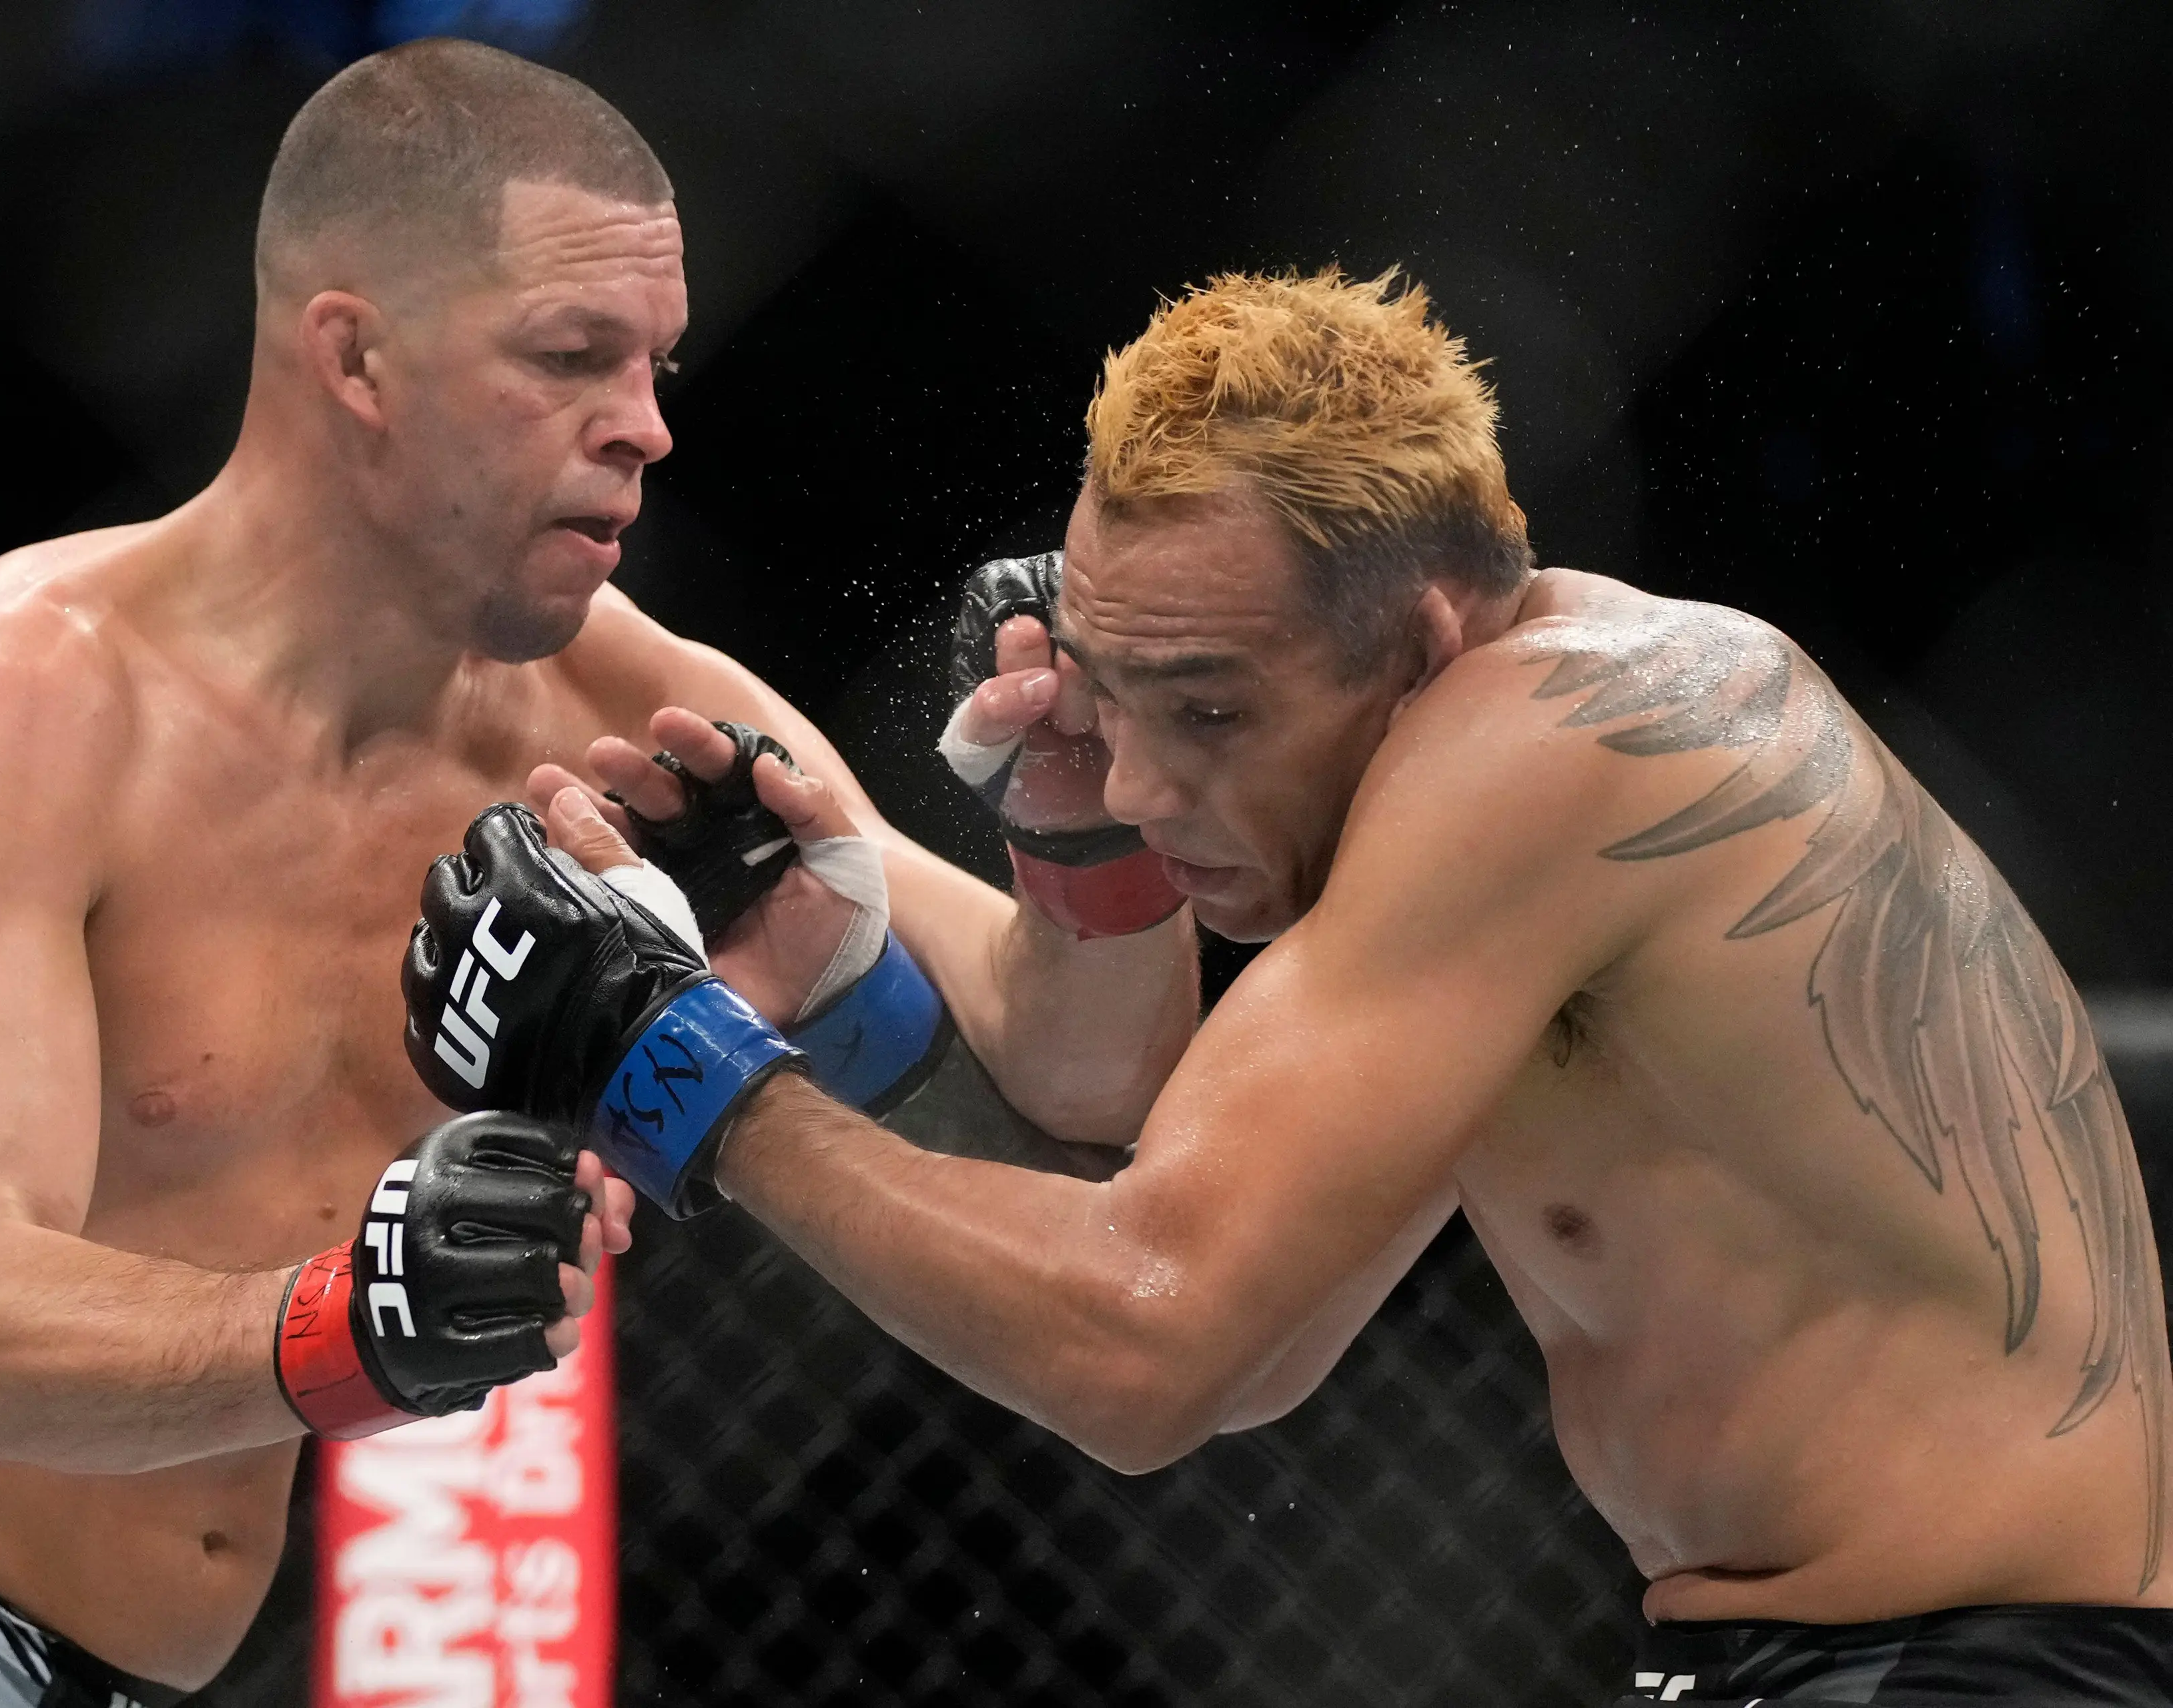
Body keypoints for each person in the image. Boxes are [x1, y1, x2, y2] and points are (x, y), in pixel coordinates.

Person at [0, 40, 1196, 1708]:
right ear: (356, 356)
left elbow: (1085, 1067)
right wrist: (359, 1320)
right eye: (570, 357)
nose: (646, 428)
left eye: (659, 362)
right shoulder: (13, 709)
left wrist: (1087, 833)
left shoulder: (632, 704)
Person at [420, 269, 2173, 1706]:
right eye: (1112, 704)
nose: (1149, 786)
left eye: (1214, 710)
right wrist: (883, 918)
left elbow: (1148, 1337)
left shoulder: (1565, 735)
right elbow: (1239, 1323)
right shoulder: (1513, 818)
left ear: (1413, 642)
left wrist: (681, 1066)